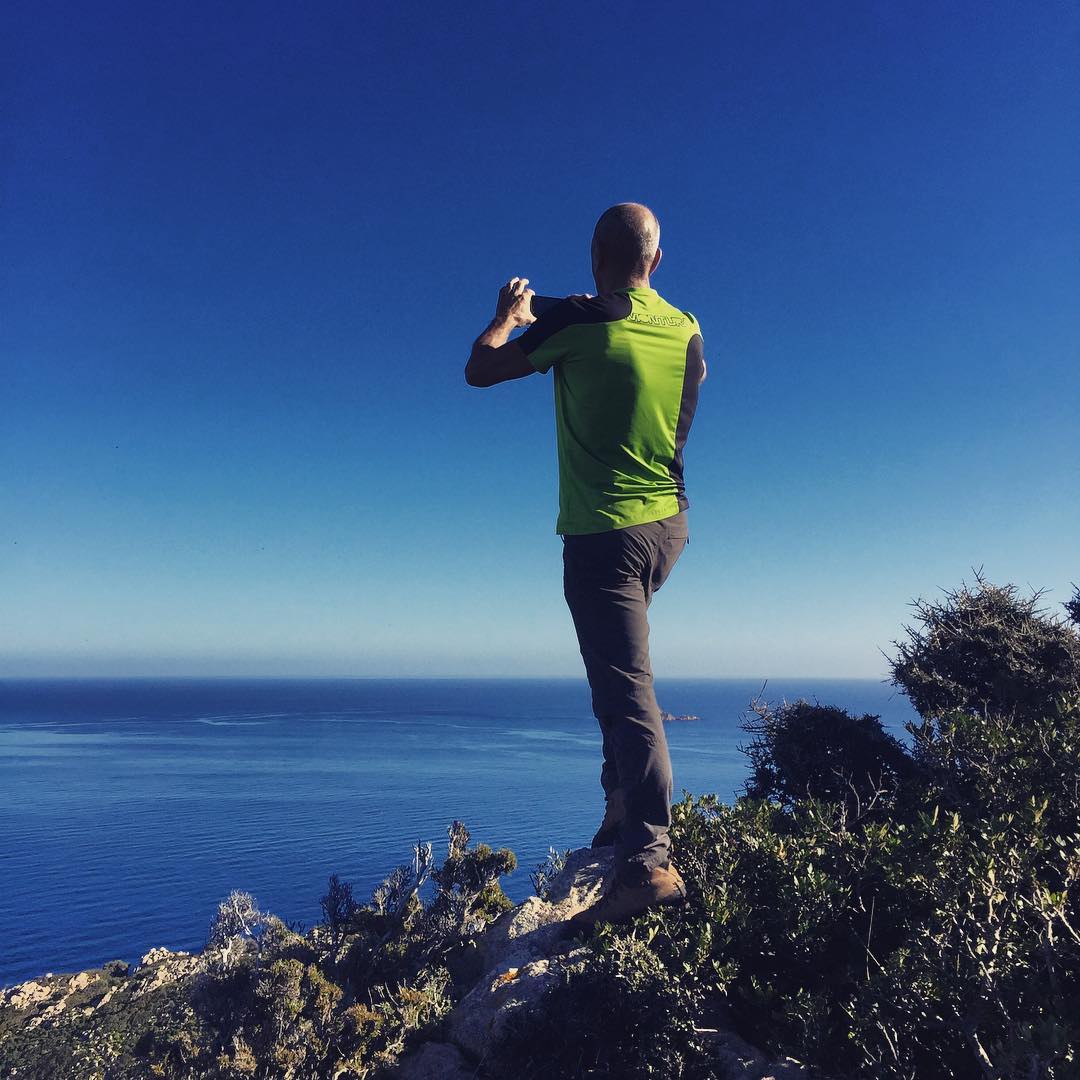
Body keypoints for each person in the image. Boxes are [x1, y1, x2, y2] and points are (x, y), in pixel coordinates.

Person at [464, 203, 705, 927]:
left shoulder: (575, 324)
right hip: (669, 526)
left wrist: (507, 316)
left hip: (604, 534)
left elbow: (480, 370)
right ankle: (619, 809)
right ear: (656, 261)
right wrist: (557, 307)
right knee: (614, 676)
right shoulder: (687, 330)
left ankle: (647, 863)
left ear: (595, 253)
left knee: (628, 691)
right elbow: (678, 411)